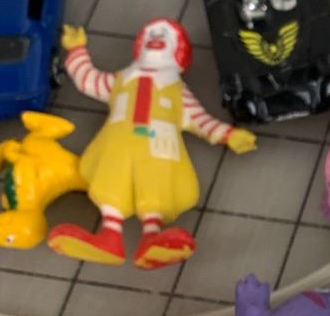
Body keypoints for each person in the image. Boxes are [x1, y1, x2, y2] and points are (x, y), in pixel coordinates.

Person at [47, 19, 255, 269]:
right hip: (118, 144)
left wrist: (228, 135)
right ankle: (109, 238)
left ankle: (153, 238)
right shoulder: (121, 79)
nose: (157, 37)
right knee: (112, 182)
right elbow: (89, 80)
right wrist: (77, 50)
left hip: (159, 147)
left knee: (155, 188)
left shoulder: (177, 89)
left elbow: (199, 119)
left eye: (165, 35)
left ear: (178, 50)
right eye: (151, 34)